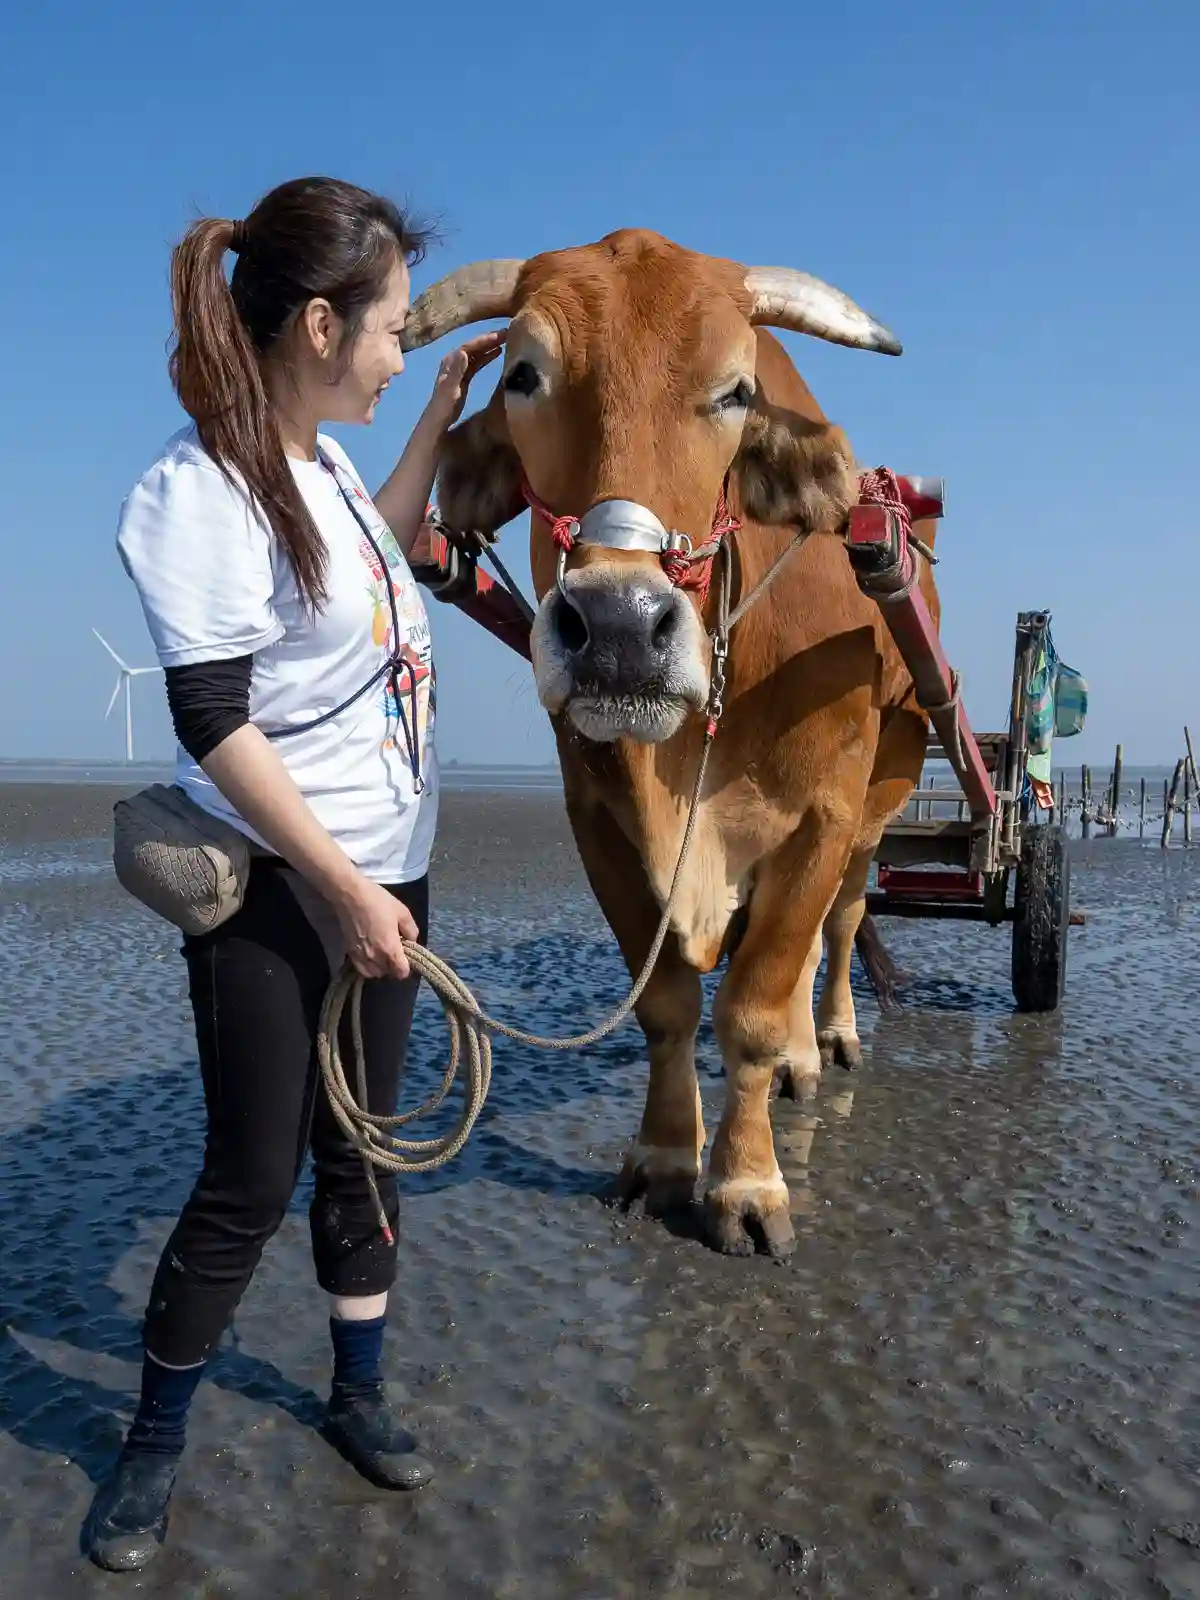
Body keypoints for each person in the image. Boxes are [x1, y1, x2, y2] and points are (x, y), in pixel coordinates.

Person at [86, 176, 504, 1572]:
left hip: (391, 876)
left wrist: (440, 408)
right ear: (319, 323)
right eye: (388, 329)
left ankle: (358, 1393)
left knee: (365, 1152)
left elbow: (365, 556)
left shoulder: (321, 466)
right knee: (251, 1176)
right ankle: (149, 1446)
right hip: (280, 887)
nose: (394, 349)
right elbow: (213, 717)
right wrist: (335, 887)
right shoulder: (193, 489)